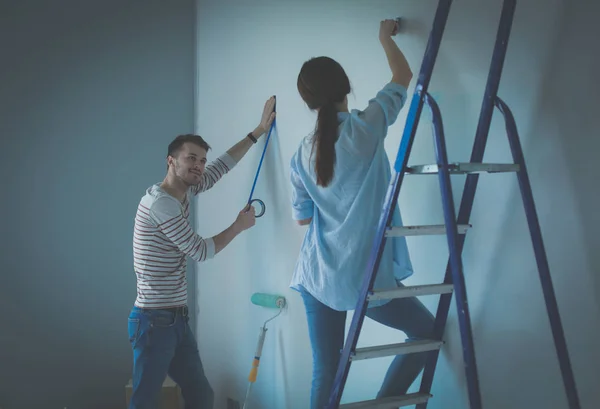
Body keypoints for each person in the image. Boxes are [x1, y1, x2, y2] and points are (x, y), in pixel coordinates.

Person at [289, 20, 435, 408]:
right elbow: (402, 75)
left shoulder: (301, 153)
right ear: (345, 87)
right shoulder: (367, 126)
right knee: (426, 334)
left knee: (327, 370)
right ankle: (386, 403)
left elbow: (303, 219)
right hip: (364, 274)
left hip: (318, 275)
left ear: (308, 101)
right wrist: (384, 37)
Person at [127, 96, 276, 409]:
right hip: (154, 322)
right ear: (171, 161)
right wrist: (238, 226)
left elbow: (222, 166)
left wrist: (258, 131)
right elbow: (200, 251)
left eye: (201, 160)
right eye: (191, 158)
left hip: (176, 319)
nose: (199, 166)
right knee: (144, 401)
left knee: (201, 396)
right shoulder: (162, 204)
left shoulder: (185, 190)